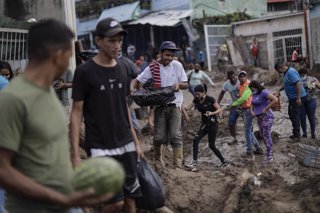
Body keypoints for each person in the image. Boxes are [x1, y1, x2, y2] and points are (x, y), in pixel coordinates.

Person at [0, 18, 113, 213]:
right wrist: (59, 197)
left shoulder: (48, 92)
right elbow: (3, 170)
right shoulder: (13, 99)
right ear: (57, 54)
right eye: (69, 51)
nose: (70, 58)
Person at [70, 18, 143, 213]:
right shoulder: (84, 72)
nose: (117, 45)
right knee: (115, 202)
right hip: (100, 147)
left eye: (119, 40)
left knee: (130, 201)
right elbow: (76, 113)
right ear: (98, 41)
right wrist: (76, 154)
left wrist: (135, 142)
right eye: (111, 40)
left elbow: (125, 108)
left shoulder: (123, 69)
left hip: (126, 142)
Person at [131, 41, 188, 168]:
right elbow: (138, 79)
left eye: (172, 55)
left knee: (175, 135)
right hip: (159, 106)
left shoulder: (177, 66)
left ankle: (178, 165)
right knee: (159, 137)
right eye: (167, 55)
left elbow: (186, 83)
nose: (169, 58)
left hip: (174, 104)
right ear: (160, 54)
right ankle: (158, 159)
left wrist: (179, 85)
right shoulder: (152, 68)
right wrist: (132, 88)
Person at [185, 84, 229, 171]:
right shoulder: (196, 100)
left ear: (203, 92)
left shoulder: (210, 99)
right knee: (195, 140)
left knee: (211, 145)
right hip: (204, 124)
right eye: (196, 94)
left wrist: (212, 113)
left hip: (213, 124)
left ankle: (224, 161)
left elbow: (219, 109)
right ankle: (194, 161)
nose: (197, 96)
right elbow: (187, 108)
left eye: (198, 94)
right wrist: (182, 109)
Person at [229, 71, 263, 156]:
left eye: (244, 76)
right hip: (245, 109)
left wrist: (233, 104)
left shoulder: (248, 85)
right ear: (238, 78)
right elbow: (241, 97)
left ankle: (249, 150)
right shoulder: (240, 86)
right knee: (249, 130)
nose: (242, 78)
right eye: (240, 76)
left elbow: (244, 98)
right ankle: (258, 148)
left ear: (246, 77)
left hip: (249, 109)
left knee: (247, 130)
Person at [275, 63, 306, 142]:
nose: (278, 73)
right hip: (293, 98)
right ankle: (295, 133)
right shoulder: (286, 73)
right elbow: (286, 84)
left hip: (296, 97)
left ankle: (297, 136)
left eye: (278, 71)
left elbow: (298, 84)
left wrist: (298, 98)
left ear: (279, 68)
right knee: (291, 114)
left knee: (295, 115)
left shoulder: (290, 72)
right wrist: (279, 90)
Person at [249, 80, 278, 163]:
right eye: (251, 89)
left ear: (256, 87)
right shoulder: (254, 93)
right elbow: (252, 103)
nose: (252, 90)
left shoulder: (264, 93)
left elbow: (275, 99)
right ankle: (269, 152)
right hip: (259, 118)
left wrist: (266, 108)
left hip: (267, 117)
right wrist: (252, 111)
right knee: (262, 135)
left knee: (266, 135)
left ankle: (270, 156)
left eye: (252, 88)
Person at [217, 69, 240, 145]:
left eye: (233, 77)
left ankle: (251, 137)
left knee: (247, 123)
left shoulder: (241, 81)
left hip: (244, 105)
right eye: (230, 78)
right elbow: (221, 94)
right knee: (231, 122)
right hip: (234, 105)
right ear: (228, 78)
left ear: (235, 75)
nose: (232, 79)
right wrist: (217, 103)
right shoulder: (226, 84)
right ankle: (233, 138)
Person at [298, 68, 320, 139]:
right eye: (301, 75)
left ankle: (312, 134)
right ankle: (305, 133)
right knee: (303, 118)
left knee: (311, 117)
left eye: (303, 74)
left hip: (310, 100)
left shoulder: (313, 79)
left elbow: (319, 86)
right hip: (302, 101)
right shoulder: (297, 79)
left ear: (306, 73)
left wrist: (315, 83)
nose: (302, 76)